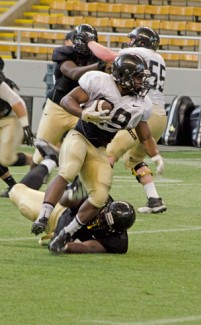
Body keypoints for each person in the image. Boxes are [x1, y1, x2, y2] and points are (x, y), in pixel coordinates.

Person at [31, 53, 164, 252]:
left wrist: (156, 156)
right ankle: (43, 215)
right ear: (124, 76)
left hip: (99, 148)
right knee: (68, 170)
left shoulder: (141, 104)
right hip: (80, 135)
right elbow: (68, 100)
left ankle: (66, 233)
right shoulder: (100, 81)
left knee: (100, 196)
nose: (141, 82)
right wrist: (83, 113)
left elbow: (144, 136)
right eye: (137, 77)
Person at [77, 26, 167, 214]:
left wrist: (89, 42)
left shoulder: (137, 53)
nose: (130, 43)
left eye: (133, 40)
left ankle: (89, 194)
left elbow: (109, 57)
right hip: (160, 115)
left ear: (140, 42)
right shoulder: (159, 58)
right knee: (134, 160)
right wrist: (156, 155)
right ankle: (154, 199)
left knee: (108, 154)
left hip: (141, 111)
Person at [9, 139, 136, 254]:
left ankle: (53, 160)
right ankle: (50, 161)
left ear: (116, 231)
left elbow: (89, 247)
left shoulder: (117, 242)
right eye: (103, 214)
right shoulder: (99, 199)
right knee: (16, 192)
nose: (100, 219)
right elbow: (65, 202)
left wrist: (65, 247)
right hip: (60, 213)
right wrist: (72, 195)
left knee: (18, 194)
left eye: (104, 222)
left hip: (63, 231)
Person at [31, 23, 108, 170]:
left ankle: (83, 188)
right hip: (57, 108)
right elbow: (73, 73)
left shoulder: (97, 57)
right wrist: (99, 66)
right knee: (40, 152)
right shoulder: (64, 52)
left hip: (81, 110)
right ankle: (28, 187)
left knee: (91, 149)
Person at [0, 57, 34, 197]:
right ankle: (13, 187)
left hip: (10, 120)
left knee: (6, 159)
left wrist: (25, 126)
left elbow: (17, 101)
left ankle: (40, 161)